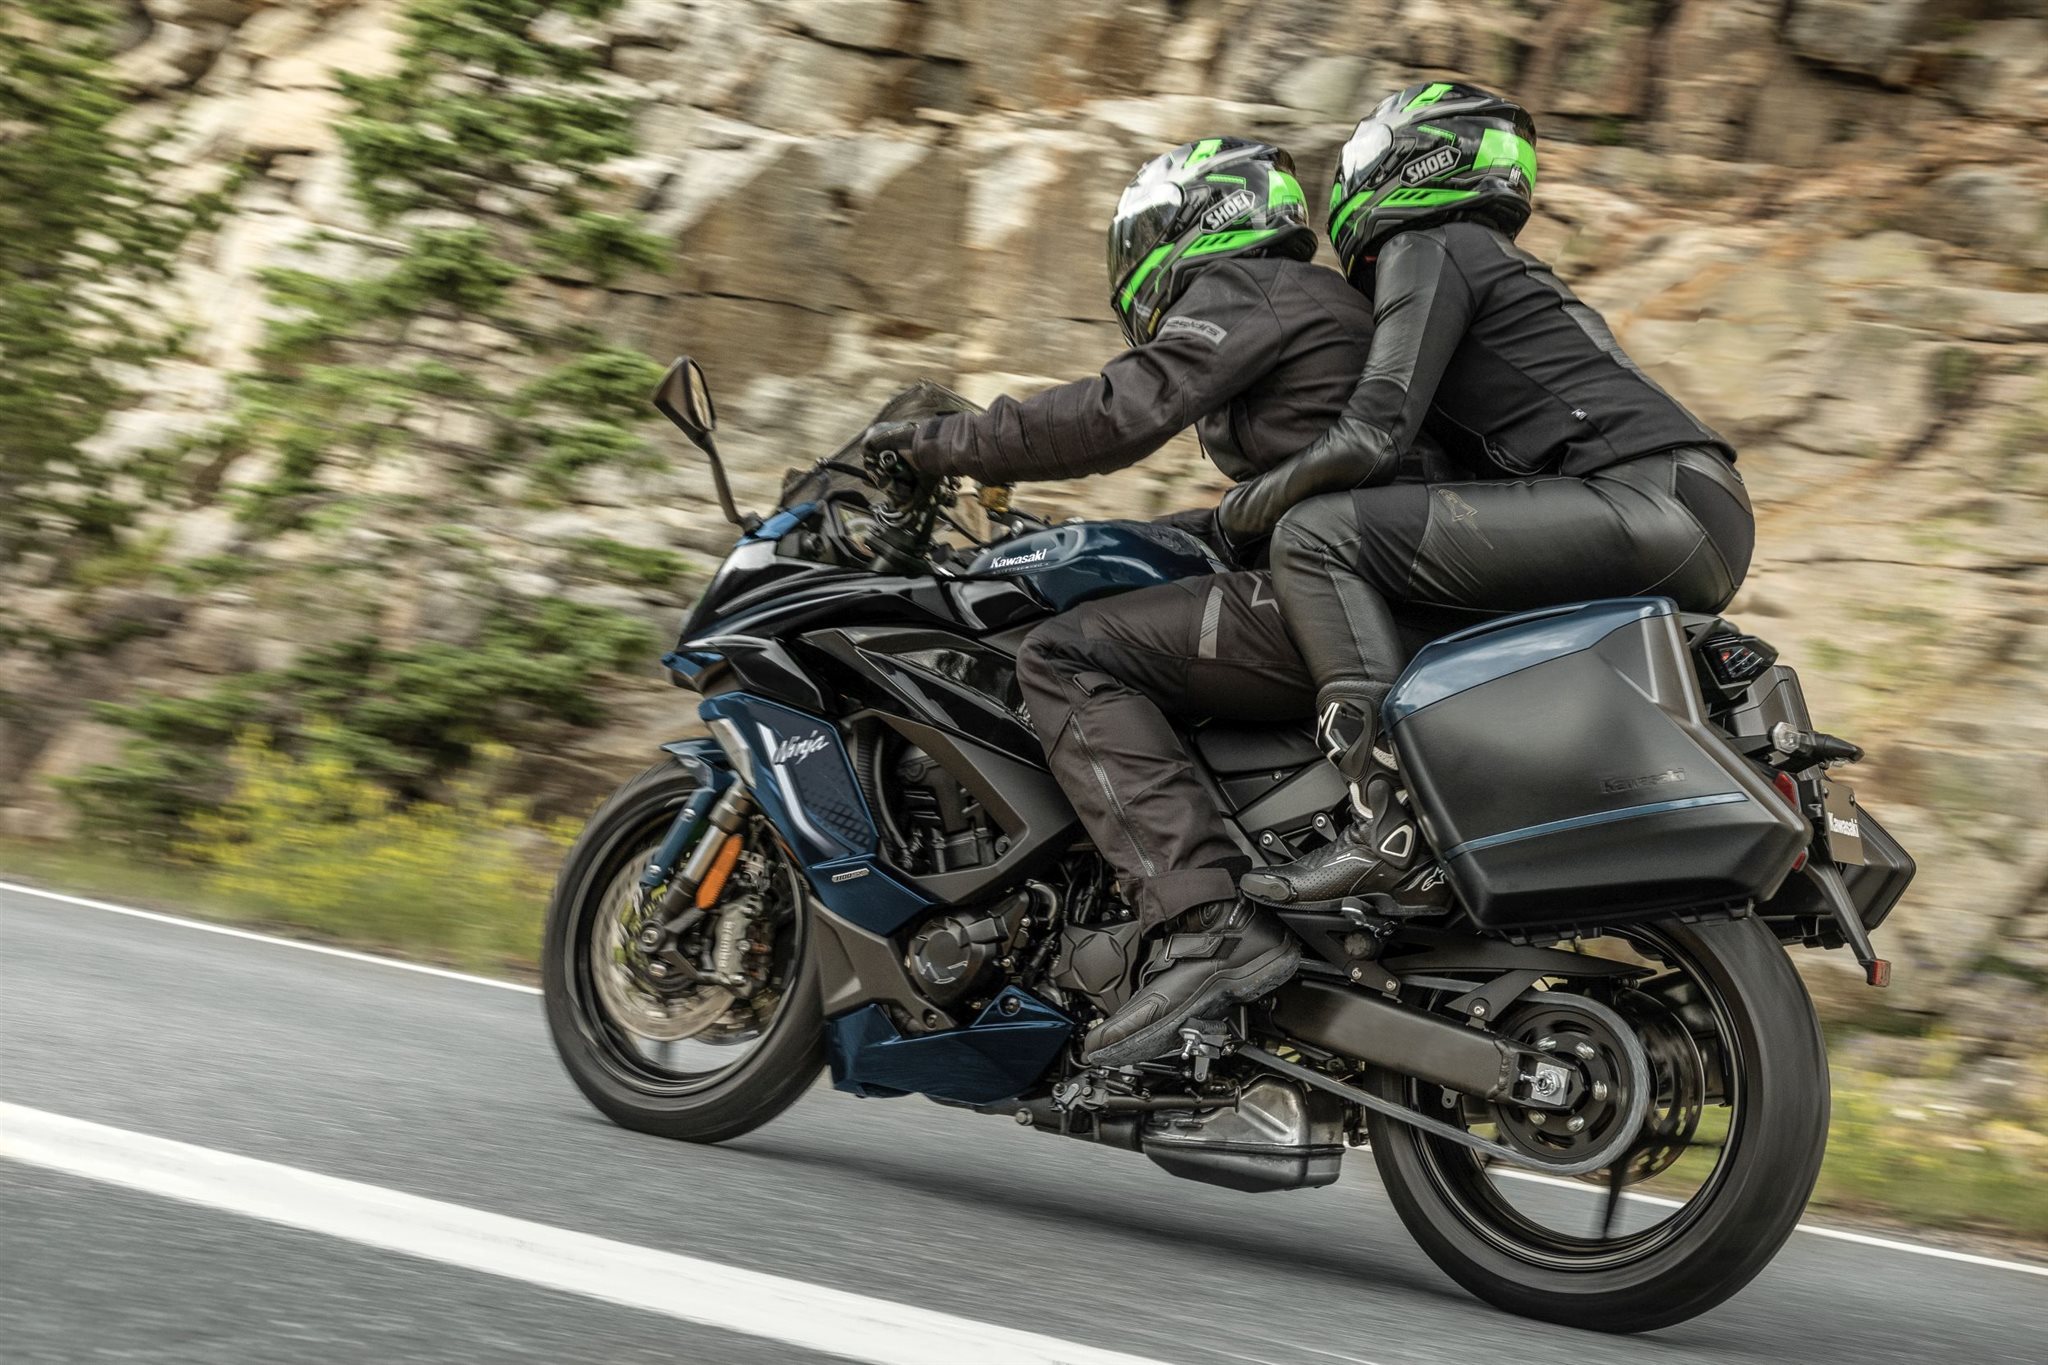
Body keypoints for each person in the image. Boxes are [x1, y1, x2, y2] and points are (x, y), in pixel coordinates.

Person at [857, 138, 1379, 1066]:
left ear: (1191, 224)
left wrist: (939, 442)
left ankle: (1206, 919)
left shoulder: (1250, 290)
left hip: (1334, 598)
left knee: (1063, 655)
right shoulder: (1317, 303)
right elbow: (1286, 499)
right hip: (1359, 585)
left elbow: (1114, 414)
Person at [1214, 82, 1756, 906]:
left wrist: (1237, 515)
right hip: (1692, 506)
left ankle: (1385, 822)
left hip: (1652, 502)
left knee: (1319, 536)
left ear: (1410, 161)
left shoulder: (1431, 245)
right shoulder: (1485, 259)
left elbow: (1370, 436)